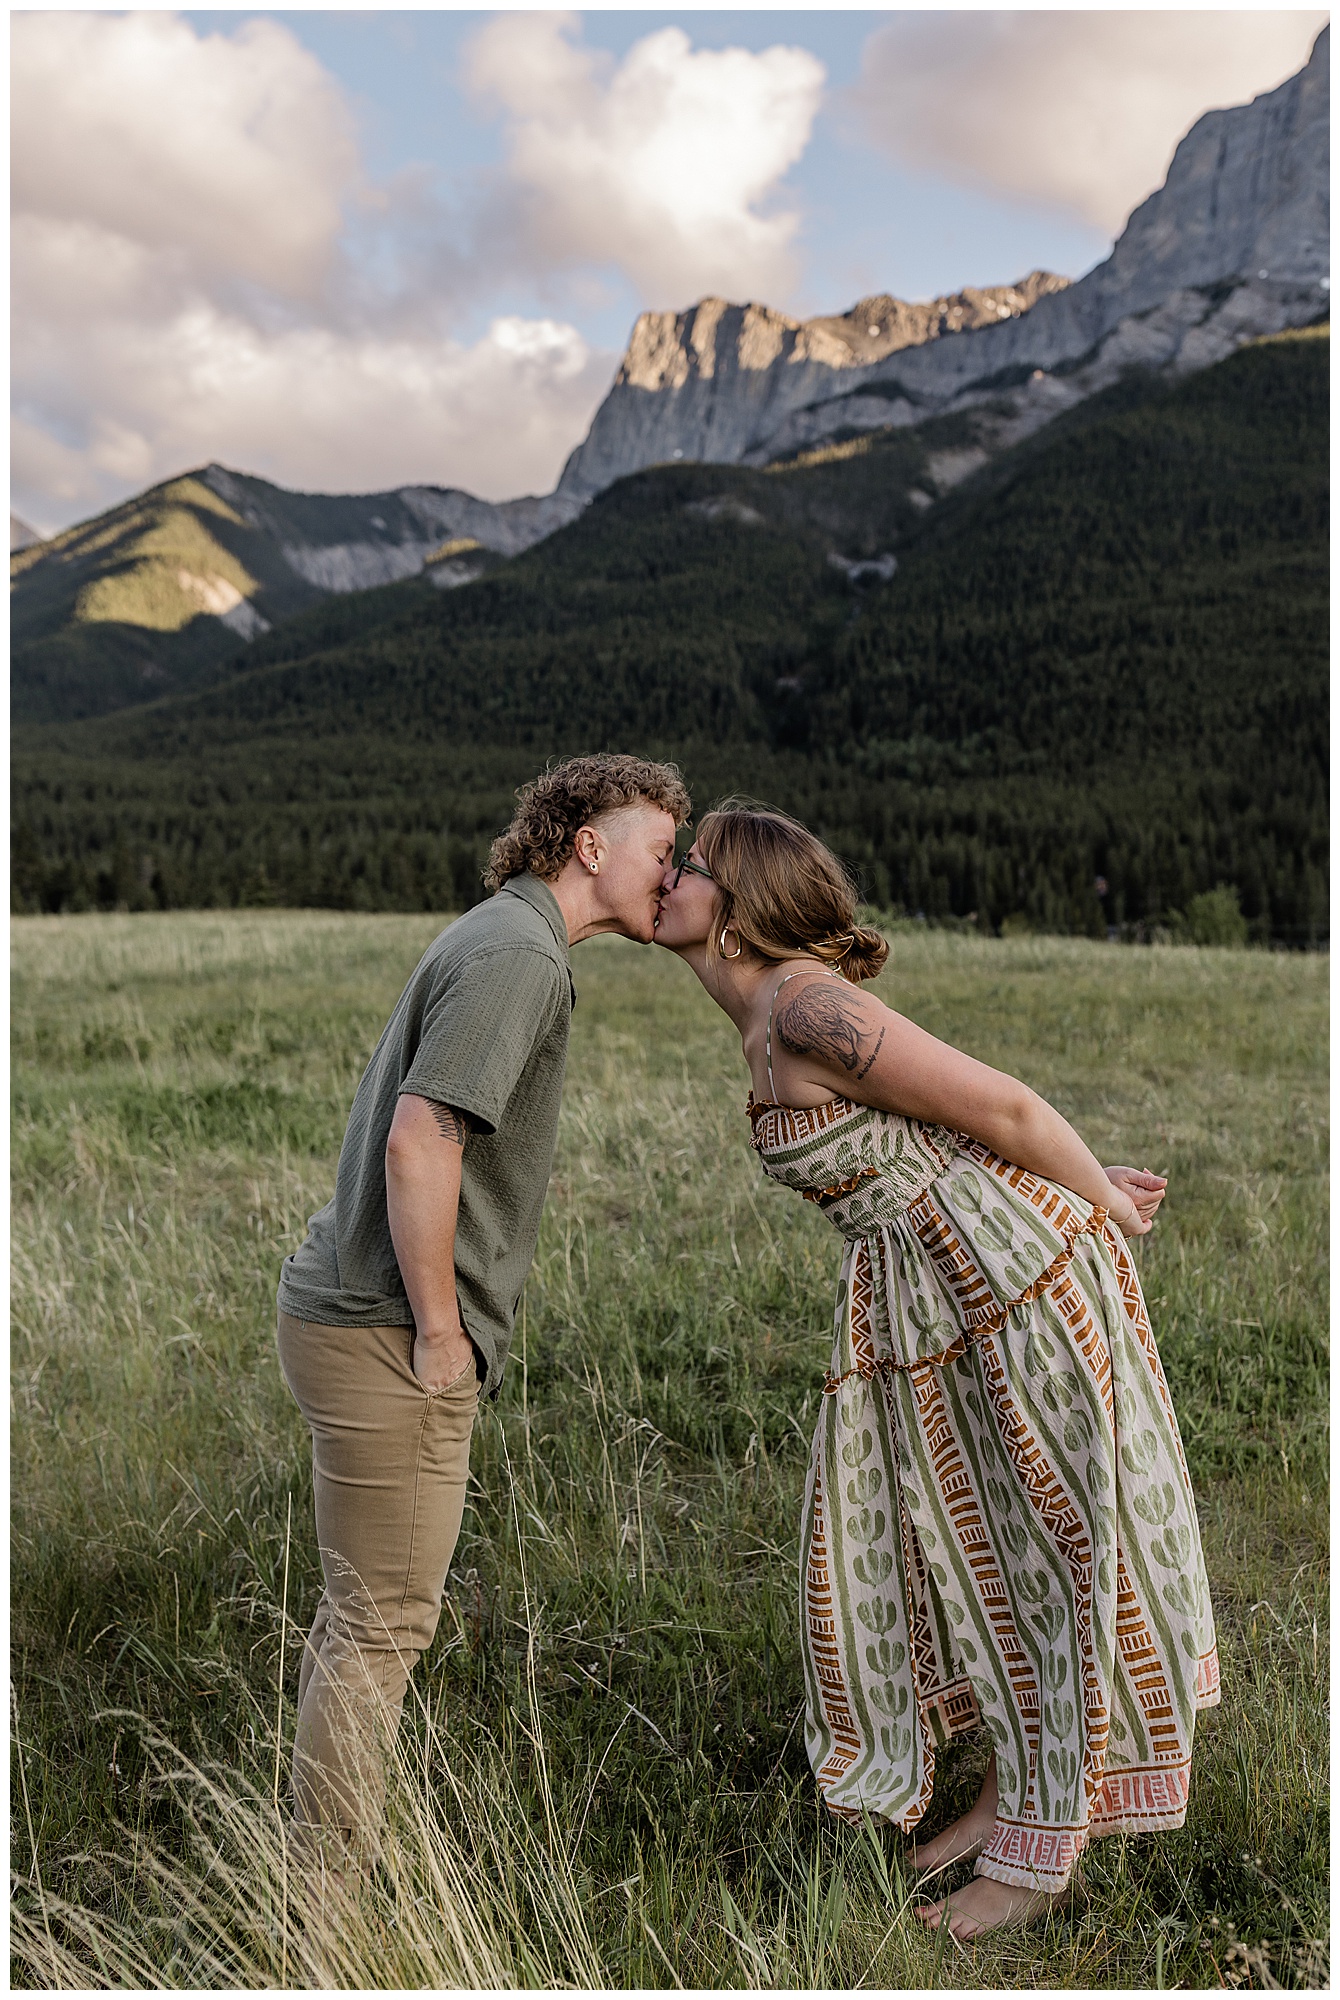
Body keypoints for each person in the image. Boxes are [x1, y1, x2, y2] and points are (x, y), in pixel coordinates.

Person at [653, 803, 1218, 1942]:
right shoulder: (767, 1010)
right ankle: (1014, 1787)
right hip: (930, 1290)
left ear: (739, 904)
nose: (667, 875)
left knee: (1039, 1548)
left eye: (690, 863)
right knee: (961, 1549)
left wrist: (1091, 1199)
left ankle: (1039, 1855)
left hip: (1002, 1284)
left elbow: (998, 1099)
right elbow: (922, 1129)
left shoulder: (808, 1003)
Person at [275, 753, 691, 1868]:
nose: (675, 873)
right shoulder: (517, 956)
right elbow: (423, 1138)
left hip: (349, 1315)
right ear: (588, 845)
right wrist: (442, 1327)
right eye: (662, 848)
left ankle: (323, 1865)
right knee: (380, 1630)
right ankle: (327, 1914)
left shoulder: (506, 935)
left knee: (357, 1619)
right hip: (382, 1329)